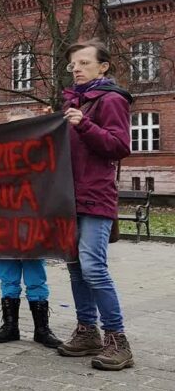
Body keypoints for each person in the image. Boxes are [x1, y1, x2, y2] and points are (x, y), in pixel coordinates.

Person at [57, 39, 134, 371]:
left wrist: (83, 124)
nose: (76, 69)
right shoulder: (75, 102)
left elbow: (118, 146)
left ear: (103, 67)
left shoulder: (111, 100)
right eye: (73, 64)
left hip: (96, 195)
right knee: (74, 265)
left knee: (93, 267)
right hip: (68, 197)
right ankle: (87, 330)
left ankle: (117, 340)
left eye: (84, 63)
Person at [0, 107, 61, 348]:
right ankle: (10, 326)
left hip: (32, 227)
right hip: (4, 226)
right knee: (7, 278)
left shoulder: (42, 157)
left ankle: (42, 329)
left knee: (35, 277)